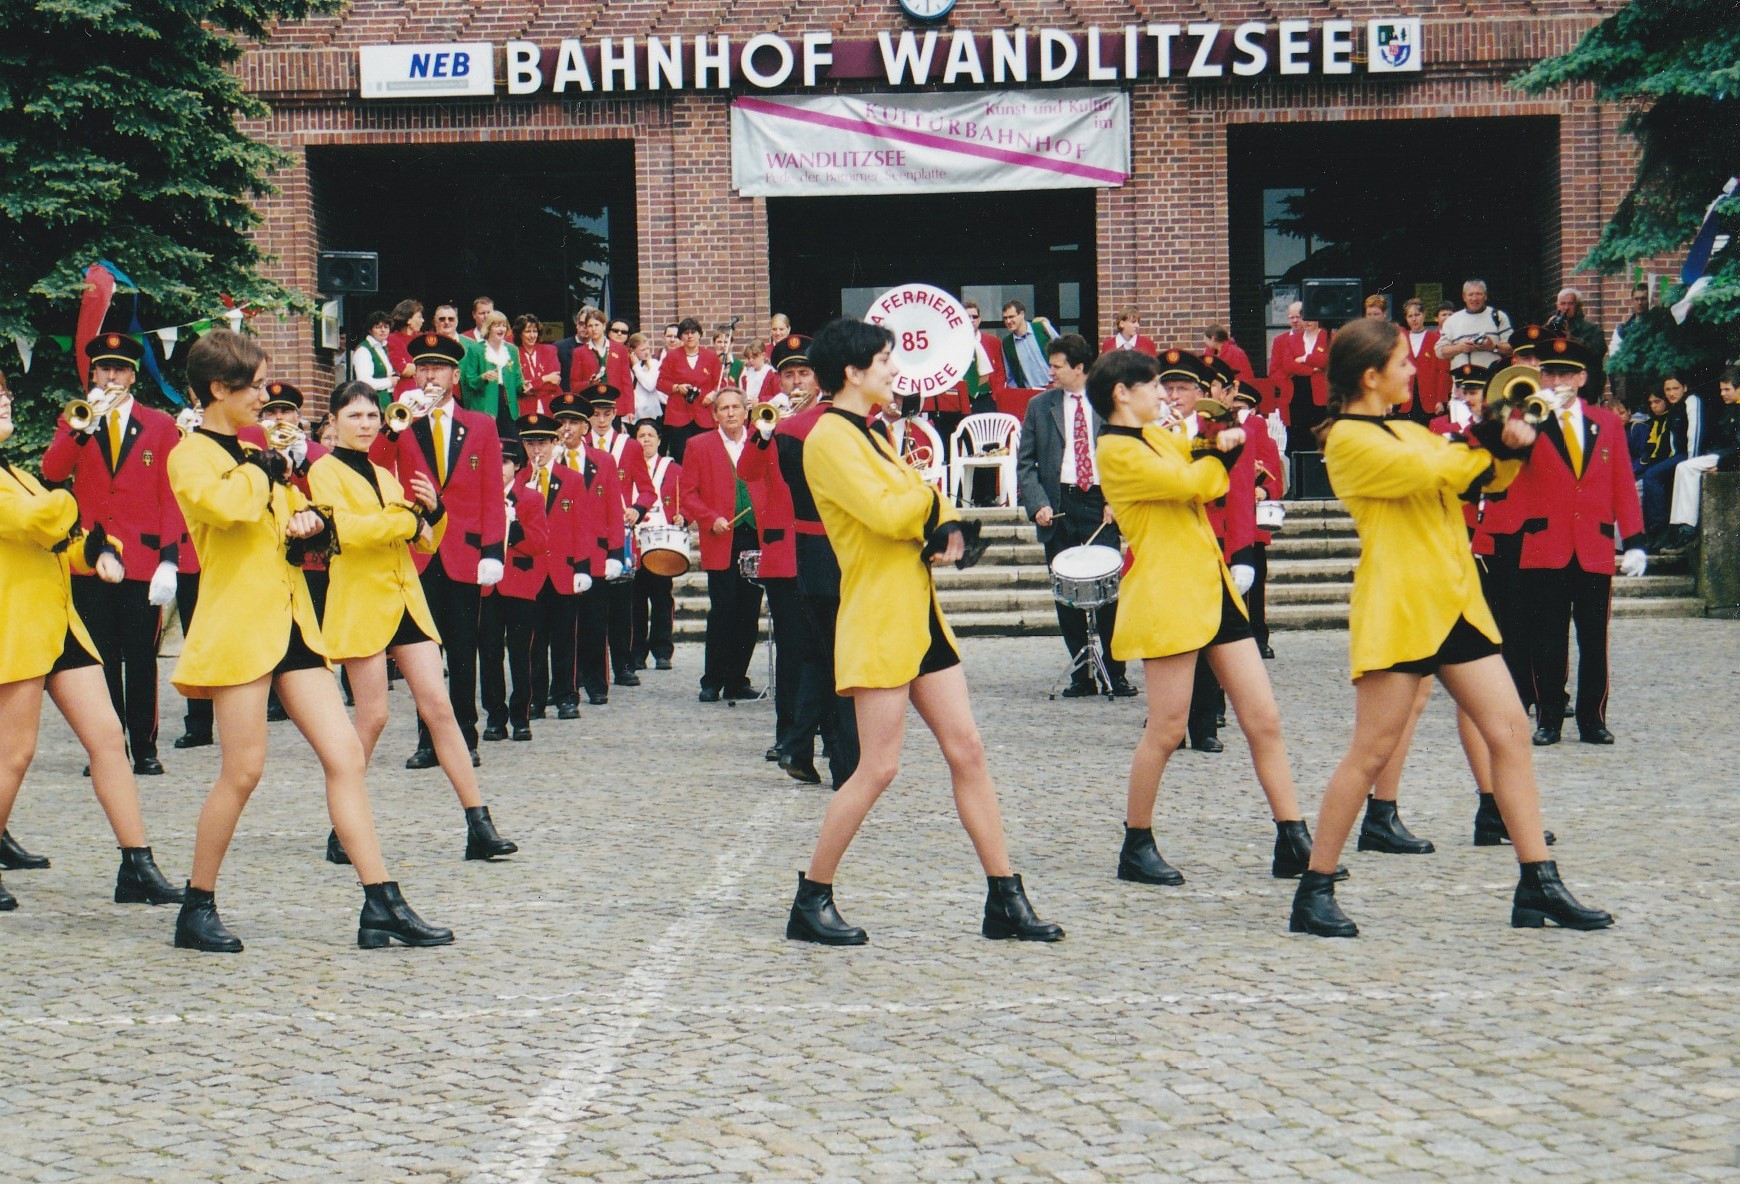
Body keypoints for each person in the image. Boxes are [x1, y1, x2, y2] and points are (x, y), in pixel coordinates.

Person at [1291, 317, 1610, 937]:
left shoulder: (1405, 428)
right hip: (1402, 606)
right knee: (1371, 752)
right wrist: (1494, 433)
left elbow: (1483, 477)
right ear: (1370, 376)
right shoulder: (1350, 440)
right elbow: (1440, 469)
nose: (1414, 369)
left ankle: (1537, 882)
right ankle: (1314, 888)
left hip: (1454, 599)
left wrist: (1509, 446)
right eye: (1403, 362)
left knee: (1510, 731)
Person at [167, 328, 451, 952]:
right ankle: (196, 905)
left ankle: (381, 902)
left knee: (346, 755)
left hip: (294, 621)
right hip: (241, 627)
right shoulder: (191, 455)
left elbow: (292, 518)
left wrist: (308, 522)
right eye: (254, 386)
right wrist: (265, 470)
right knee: (243, 771)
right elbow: (229, 510)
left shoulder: (256, 452)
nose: (264, 398)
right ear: (218, 389)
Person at [786, 317, 1062, 946]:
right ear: (852, 372)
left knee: (968, 750)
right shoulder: (830, 438)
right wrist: (937, 506)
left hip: (918, 614)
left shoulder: (875, 431)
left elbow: (913, 503)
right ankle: (811, 898)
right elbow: (889, 512)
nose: (894, 369)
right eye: (884, 360)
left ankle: (1005, 897)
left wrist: (945, 520)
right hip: (881, 618)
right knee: (877, 768)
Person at [1091, 346, 1330, 884]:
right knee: (1167, 729)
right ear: (1122, 394)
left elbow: (1204, 471)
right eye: (1153, 385)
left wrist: (1216, 442)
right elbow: (1196, 484)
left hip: (1210, 585)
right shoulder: (1117, 449)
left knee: (1263, 719)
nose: (1164, 394)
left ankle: (1293, 837)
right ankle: (1136, 842)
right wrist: (1216, 452)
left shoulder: (1155, 436)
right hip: (1170, 593)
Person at [310, 383, 518, 865]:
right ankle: (342, 826)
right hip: (362, 602)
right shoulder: (324, 471)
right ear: (334, 421)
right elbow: (348, 530)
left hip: (405, 599)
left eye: (371, 416)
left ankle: (479, 824)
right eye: (355, 416)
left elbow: (424, 540)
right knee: (374, 716)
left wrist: (435, 513)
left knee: (440, 708)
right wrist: (405, 522)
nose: (365, 424)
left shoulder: (387, 477)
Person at [0, 378, 184, 912]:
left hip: (60, 624)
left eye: (6, 393)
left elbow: (57, 541)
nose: (6, 400)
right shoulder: (25, 485)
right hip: (17, 628)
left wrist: (95, 552)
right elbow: (39, 519)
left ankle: (137, 865)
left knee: (107, 739)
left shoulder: (16, 474)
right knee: (15, 753)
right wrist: (72, 501)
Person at [40, 331, 182, 776]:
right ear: (93, 374)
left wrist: (169, 559)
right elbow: (53, 471)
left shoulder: (159, 424)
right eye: (104, 369)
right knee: (99, 657)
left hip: (141, 560)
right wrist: (80, 431)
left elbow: (171, 495)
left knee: (140, 658)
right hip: (89, 558)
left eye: (120, 369)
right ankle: (108, 747)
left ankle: (145, 747)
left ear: (133, 376)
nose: (112, 377)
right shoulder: (75, 420)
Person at [374, 332, 508, 768]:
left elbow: (491, 492)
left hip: (465, 553)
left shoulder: (481, 425)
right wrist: (394, 426)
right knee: (422, 654)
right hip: (418, 551)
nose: (431, 375)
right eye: (424, 368)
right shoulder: (403, 421)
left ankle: (465, 738)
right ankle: (428, 740)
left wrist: (493, 550)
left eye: (439, 368)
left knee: (464, 651)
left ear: (454, 375)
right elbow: (373, 465)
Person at [1513, 336, 1647, 746]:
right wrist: (1532, 417)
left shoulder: (1606, 423)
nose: (1558, 381)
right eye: (1551, 373)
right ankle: (1549, 718)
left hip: (1593, 545)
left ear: (1582, 378)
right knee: (1547, 638)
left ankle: (1592, 719)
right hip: (1546, 544)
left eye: (1567, 374)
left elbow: (1622, 483)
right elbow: (1503, 454)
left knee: (1593, 639)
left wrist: (1635, 540)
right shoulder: (1528, 418)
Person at [763, 335, 860, 788]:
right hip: (838, 552)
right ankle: (843, 761)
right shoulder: (842, 425)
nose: (798, 382)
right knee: (838, 658)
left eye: (805, 373)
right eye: (789, 374)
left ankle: (798, 743)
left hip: (806, 552)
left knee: (819, 656)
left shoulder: (792, 428)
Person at [1016, 333, 1134, 698]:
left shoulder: (1108, 402)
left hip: (1100, 504)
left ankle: (1115, 672)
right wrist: (1038, 504)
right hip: (1060, 504)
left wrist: (1116, 501)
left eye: (1056, 366)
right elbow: (1025, 464)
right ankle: (1082, 676)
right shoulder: (1040, 406)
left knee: (1108, 591)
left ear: (1079, 368)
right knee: (1066, 593)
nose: (1050, 372)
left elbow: (1126, 455)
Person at [679, 386, 764, 703]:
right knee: (723, 610)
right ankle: (712, 680)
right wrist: (709, 517)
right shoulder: (698, 445)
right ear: (714, 414)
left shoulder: (761, 440)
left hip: (755, 536)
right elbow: (688, 494)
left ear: (746, 411)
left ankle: (737, 680)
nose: (730, 413)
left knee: (749, 611)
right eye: (723, 408)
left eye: (735, 407)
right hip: (722, 536)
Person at [524, 405, 597, 720]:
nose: (537, 450)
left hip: (563, 570)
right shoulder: (519, 480)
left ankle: (567, 696)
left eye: (542, 442)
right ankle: (534, 698)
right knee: (534, 641)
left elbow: (583, 525)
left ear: (555, 443)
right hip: (529, 572)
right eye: (531, 443)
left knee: (565, 638)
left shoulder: (572, 479)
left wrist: (583, 566)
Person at [584, 385, 654, 687]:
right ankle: (587, 668)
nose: (601, 420)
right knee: (588, 604)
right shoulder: (580, 444)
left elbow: (648, 490)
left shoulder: (630, 446)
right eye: (596, 414)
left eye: (607, 413)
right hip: (586, 532)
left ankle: (623, 664)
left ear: (615, 413)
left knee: (621, 604)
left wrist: (637, 509)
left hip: (619, 532)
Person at [479, 437, 545, 742]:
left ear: (517, 465)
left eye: (505, 461)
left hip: (519, 585)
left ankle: (521, 717)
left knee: (521, 653)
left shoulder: (531, 498)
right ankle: (495, 717)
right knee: (489, 654)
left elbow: (539, 543)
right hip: (487, 587)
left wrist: (513, 527)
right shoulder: (480, 496)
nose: (499, 468)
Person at [1658, 366, 1740, 554]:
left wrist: (1723, 465)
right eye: (1721, 389)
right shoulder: (1731, 409)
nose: (1722, 393)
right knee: (1682, 467)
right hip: (1722, 456)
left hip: (1727, 459)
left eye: (1727, 389)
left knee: (1687, 468)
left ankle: (1688, 528)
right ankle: (1677, 527)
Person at [628, 418, 681, 672]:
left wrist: (684, 516)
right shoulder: (626, 465)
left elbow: (687, 497)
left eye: (650, 435)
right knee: (635, 600)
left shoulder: (673, 469)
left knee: (661, 597)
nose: (646, 440)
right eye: (641, 435)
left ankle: (662, 650)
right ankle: (637, 652)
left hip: (662, 541)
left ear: (660, 440)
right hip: (635, 539)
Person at [657, 317, 724, 462]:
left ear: (700, 335)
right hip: (678, 415)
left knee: (705, 456)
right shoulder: (672, 357)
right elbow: (661, 382)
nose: (690, 336)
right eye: (686, 333)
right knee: (681, 455)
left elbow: (720, 383)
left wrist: (713, 395)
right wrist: (677, 387)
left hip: (704, 413)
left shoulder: (711, 357)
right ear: (681, 336)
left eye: (693, 332)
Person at [459, 311, 523, 436]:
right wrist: (483, 377)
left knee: (511, 443)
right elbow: (469, 380)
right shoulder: (475, 349)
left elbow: (517, 378)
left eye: (504, 325)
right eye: (497, 325)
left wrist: (523, 386)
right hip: (485, 406)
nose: (501, 329)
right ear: (488, 328)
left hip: (508, 407)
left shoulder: (512, 350)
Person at [1276, 310, 1330, 451]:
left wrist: (1305, 358)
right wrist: (1313, 370)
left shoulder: (1328, 336)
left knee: (1320, 437)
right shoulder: (1293, 339)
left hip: (1321, 396)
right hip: (1298, 396)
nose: (1307, 322)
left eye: (1311, 318)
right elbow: (1288, 365)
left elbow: (1327, 360)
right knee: (1299, 438)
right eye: (1304, 318)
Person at [1435, 279, 1514, 370]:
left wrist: (1492, 347)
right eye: (1470, 294)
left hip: (1493, 376)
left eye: (1479, 294)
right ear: (1464, 297)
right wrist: (1460, 348)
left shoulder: (1498, 316)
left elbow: (1513, 348)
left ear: (1485, 296)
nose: (1474, 298)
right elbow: (1439, 351)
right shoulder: (1452, 320)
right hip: (1462, 377)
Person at [998, 300, 1057, 417]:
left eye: (1011, 317)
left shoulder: (1042, 327)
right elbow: (1010, 377)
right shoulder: (1006, 343)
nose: (1008, 321)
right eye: (1005, 318)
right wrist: (1021, 396)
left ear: (1022, 314)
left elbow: (1064, 351)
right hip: (1031, 396)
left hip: (1054, 388)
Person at [1400, 298, 1448, 422]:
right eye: (1410, 316)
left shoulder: (1435, 339)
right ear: (1406, 318)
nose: (1414, 319)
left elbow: (1442, 372)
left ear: (1424, 315)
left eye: (1417, 315)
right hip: (1406, 400)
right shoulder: (1401, 340)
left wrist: (1441, 400)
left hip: (1430, 401)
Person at [514, 314, 561, 415]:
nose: (532, 336)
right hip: (526, 409)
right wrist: (545, 378)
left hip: (550, 407)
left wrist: (531, 385)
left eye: (535, 331)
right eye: (528, 331)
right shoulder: (514, 354)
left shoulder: (550, 350)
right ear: (520, 334)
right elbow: (520, 387)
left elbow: (554, 384)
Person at [351, 310, 396, 400]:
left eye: (386, 327)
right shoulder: (364, 350)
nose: (383, 330)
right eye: (378, 327)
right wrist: (389, 382)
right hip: (371, 400)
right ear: (370, 330)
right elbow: (364, 382)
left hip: (386, 399)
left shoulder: (383, 349)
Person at [386, 299, 425, 397]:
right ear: (408, 320)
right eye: (419, 317)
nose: (423, 320)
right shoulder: (392, 340)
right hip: (404, 394)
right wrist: (425, 365)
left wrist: (414, 366)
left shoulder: (421, 338)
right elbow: (404, 370)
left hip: (424, 393)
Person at [628, 332, 662, 422]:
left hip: (650, 413)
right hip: (633, 413)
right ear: (632, 351)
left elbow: (650, 386)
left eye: (648, 348)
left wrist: (636, 367)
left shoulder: (653, 363)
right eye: (642, 350)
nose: (647, 352)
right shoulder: (626, 365)